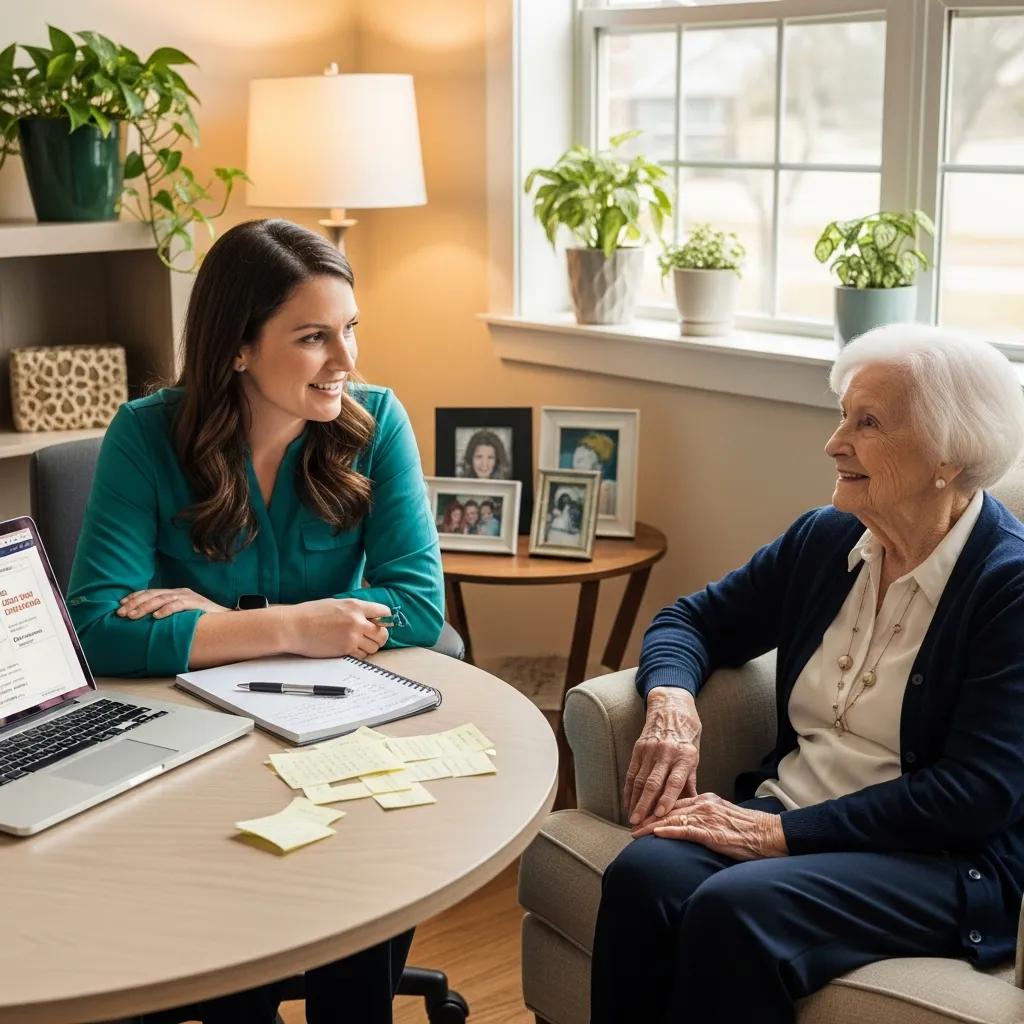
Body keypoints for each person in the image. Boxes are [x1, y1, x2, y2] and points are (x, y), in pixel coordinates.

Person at [66, 218, 444, 1024]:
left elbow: (418, 607)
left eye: (349, 330)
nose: (345, 361)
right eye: (314, 337)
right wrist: (299, 627)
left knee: (362, 921)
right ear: (238, 346)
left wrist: (239, 618)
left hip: (334, 740)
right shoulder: (146, 435)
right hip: (196, 747)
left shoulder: (377, 424)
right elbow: (95, 626)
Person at [591, 324, 1024, 1024]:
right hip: (790, 814)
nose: (834, 442)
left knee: (738, 910)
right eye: (843, 416)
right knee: (645, 873)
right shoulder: (825, 540)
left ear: (949, 456)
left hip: (938, 860)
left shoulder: (1009, 587)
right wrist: (672, 700)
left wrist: (776, 837)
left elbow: (975, 795)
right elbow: (690, 620)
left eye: (869, 422)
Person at [569, 431, 616, 516]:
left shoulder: (610, 490)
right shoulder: (571, 491)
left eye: (589, 448)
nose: (580, 450)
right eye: (581, 446)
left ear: (599, 465)